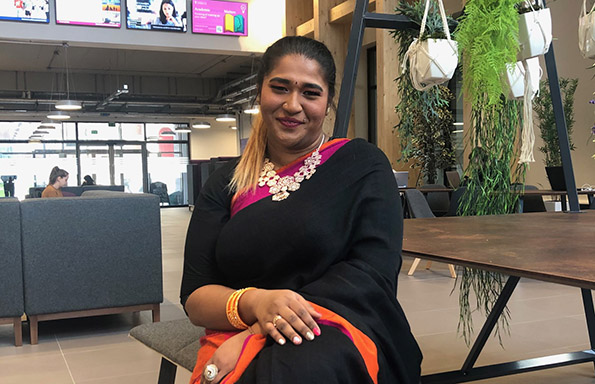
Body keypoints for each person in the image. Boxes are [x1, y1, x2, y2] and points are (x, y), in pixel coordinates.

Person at [180, 36, 422, 384]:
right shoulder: (226, 182)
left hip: (340, 323)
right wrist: (257, 304)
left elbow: (374, 273)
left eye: (310, 92)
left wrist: (258, 333)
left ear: (328, 103)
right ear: (260, 93)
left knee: (295, 372)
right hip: (236, 326)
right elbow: (196, 297)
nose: (293, 105)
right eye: (280, 88)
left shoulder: (361, 164)